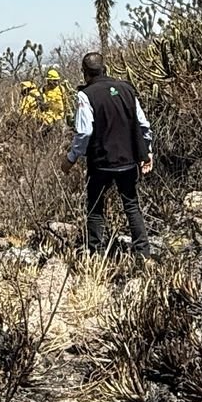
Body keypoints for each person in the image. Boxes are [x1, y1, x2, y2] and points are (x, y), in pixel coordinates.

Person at [62, 52, 153, 256]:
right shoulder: (127, 89)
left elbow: (85, 131)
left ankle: (96, 254)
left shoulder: (86, 94)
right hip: (129, 161)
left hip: (101, 162)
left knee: (95, 207)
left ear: (84, 73)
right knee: (131, 205)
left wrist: (71, 158)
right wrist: (147, 151)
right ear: (105, 68)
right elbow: (143, 124)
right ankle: (143, 253)